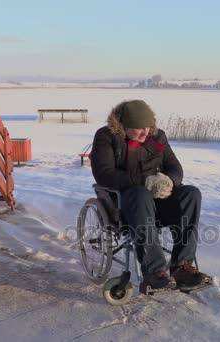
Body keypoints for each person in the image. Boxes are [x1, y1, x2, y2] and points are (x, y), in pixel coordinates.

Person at [90, 99, 211, 293]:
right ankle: (154, 272)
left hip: (158, 201)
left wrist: (170, 180)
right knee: (140, 194)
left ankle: (181, 268)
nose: (145, 132)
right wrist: (144, 181)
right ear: (124, 126)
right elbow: (104, 173)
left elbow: (174, 167)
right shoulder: (106, 137)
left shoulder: (157, 138)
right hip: (124, 202)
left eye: (147, 127)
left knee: (191, 193)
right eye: (138, 128)